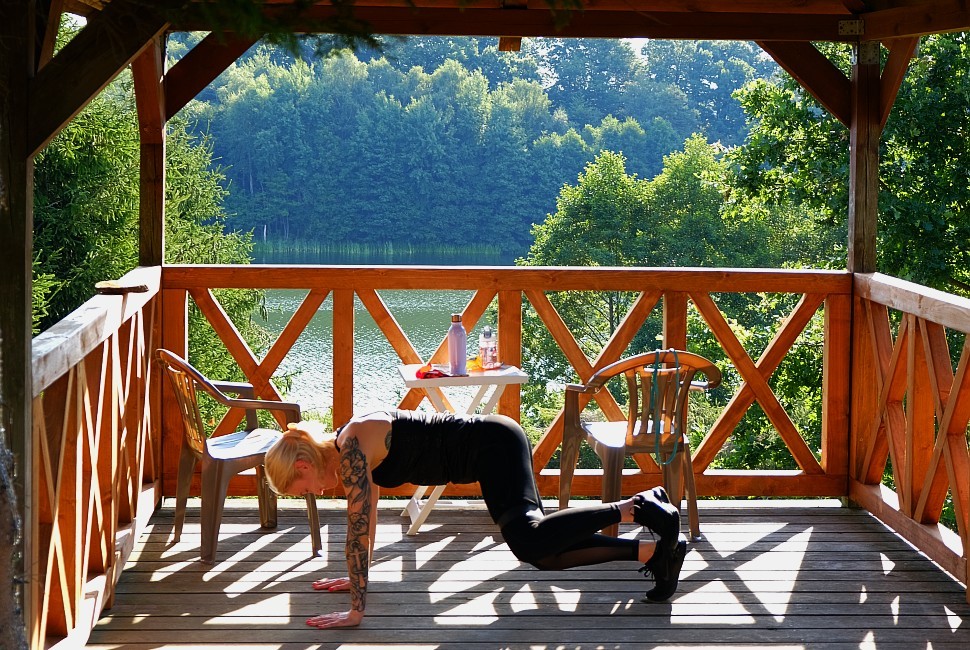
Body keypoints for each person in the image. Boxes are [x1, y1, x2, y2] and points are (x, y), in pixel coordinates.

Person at [264, 409, 688, 629]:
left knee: (529, 538)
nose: (311, 494)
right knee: (539, 552)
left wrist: (356, 610)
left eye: (302, 489)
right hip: (489, 452)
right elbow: (368, 514)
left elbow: (355, 530)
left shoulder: (353, 446)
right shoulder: (350, 449)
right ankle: (653, 553)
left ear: (303, 465)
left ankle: (637, 506)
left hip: (491, 444)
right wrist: (360, 574)